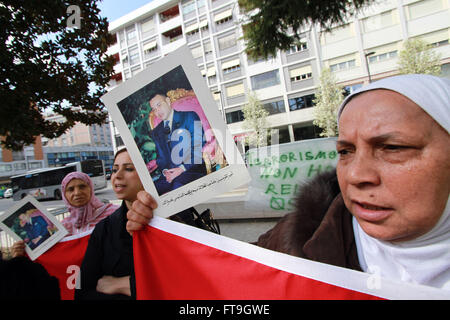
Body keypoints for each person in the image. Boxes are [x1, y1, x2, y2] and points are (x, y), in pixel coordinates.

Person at [126, 74, 450, 290]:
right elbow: (226, 276)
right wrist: (165, 225)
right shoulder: (302, 232)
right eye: (346, 151)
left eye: (393, 148)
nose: (355, 175)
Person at [75, 147, 144, 299]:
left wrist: (124, 284)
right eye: (114, 170)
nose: (117, 176)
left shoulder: (176, 220)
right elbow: (82, 290)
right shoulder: (104, 229)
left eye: (129, 169)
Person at [11, 172, 118, 257]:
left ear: (90, 188)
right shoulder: (61, 229)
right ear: (64, 195)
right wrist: (23, 253)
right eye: (70, 189)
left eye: (82, 186)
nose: (77, 192)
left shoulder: (113, 214)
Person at [150, 93, 207, 195]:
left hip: (191, 170)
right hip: (169, 176)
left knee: (177, 188)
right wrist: (165, 172)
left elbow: (198, 147)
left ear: (168, 101)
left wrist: (181, 169)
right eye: (154, 109)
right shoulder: (156, 132)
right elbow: (161, 159)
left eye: (159, 105)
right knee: (151, 192)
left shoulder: (190, 116)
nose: (157, 111)